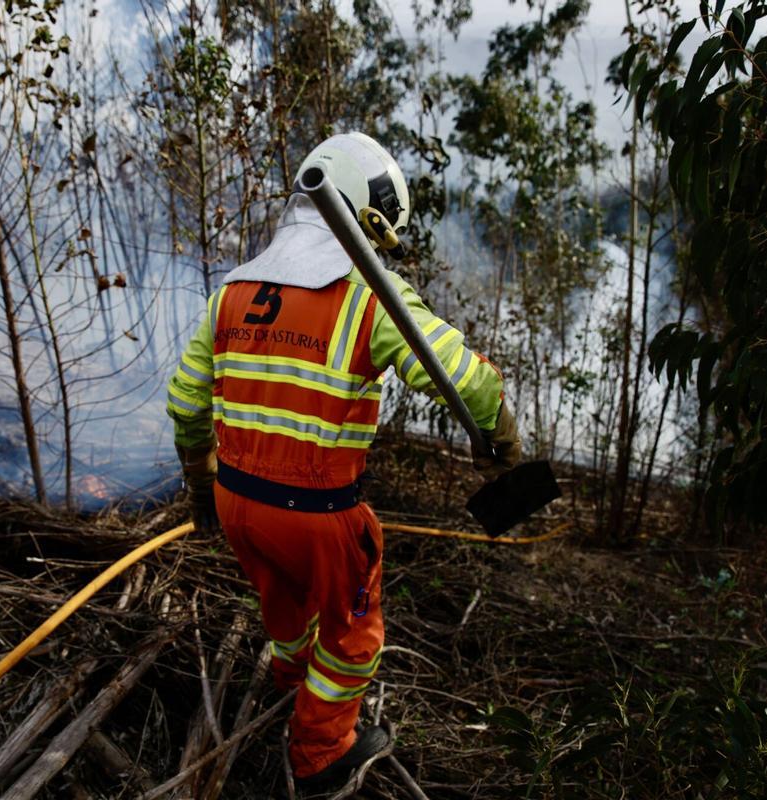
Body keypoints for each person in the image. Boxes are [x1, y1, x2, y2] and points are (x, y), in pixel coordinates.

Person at [166, 132, 521, 795]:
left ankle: (292, 685)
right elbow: (464, 379)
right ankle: (322, 756)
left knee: (285, 606)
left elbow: (185, 402)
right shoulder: (369, 295)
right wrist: (503, 434)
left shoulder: (232, 293)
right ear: (368, 209)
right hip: (319, 514)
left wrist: (198, 489)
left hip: (236, 505)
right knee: (353, 635)